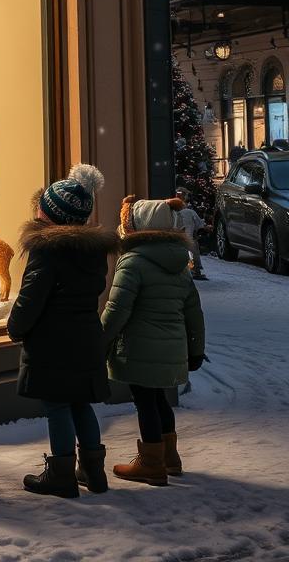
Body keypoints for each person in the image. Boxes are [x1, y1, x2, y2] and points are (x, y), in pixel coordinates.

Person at [7, 163, 117, 499]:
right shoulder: (92, 252)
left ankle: (61, 474)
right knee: (81, 404)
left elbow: (31, 298)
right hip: (85, 338)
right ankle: (94, 472)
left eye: (42, 206)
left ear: (51, 214)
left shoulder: (48, 252)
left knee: (57, 407)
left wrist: (16, 326)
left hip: (53, 343)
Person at [101, 196, 206, 486]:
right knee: (159, 399)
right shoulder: (179, 264)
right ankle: (169, 457)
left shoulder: (133, 262)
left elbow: (117, 310)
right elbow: (193, 312)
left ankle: (151, 463)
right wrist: (196, 350)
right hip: (172, 348)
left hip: (140, 348)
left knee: (145, 401)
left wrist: (100, 343)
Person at [175, 187, 210, 280]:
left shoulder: (171, 211)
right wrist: (207, 227)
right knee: (193, 250)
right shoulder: (189, 212)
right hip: (189, 239)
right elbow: (200, 225)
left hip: (175, 239)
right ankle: (195, 270)